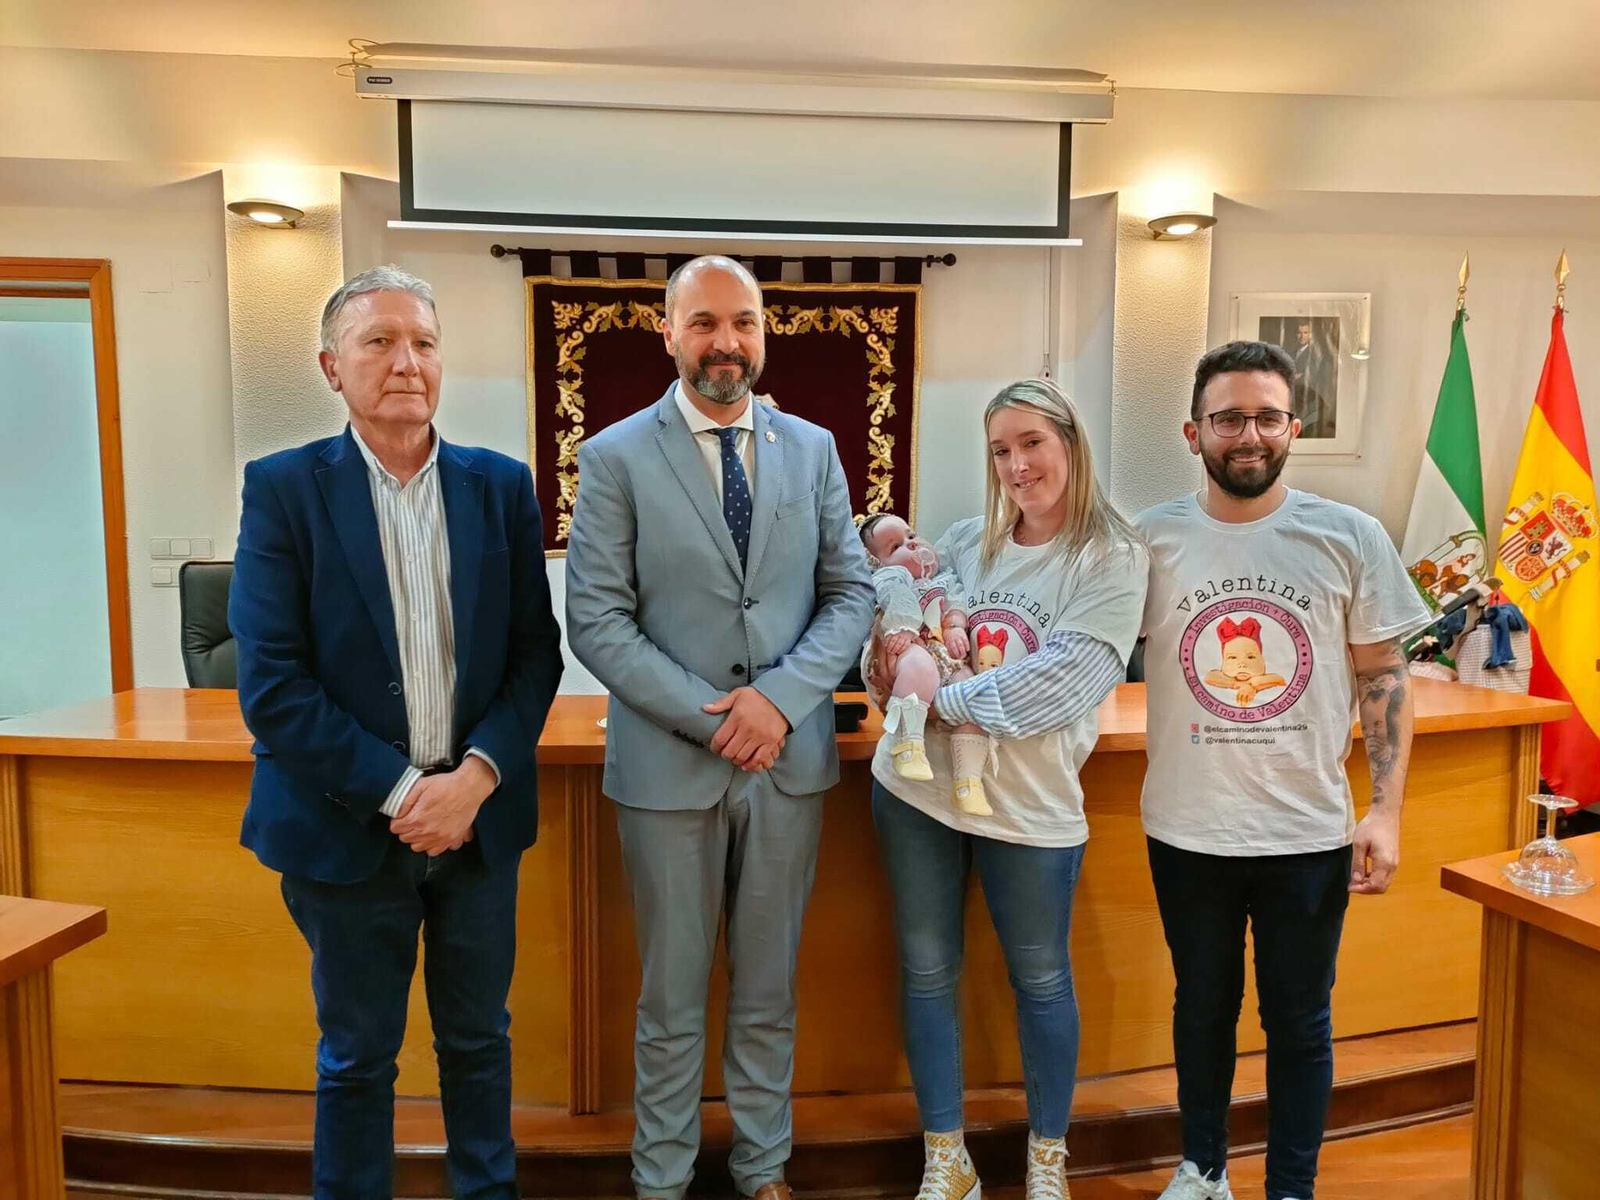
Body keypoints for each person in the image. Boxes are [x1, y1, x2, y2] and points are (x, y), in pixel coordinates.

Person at [230, 264, 565, 1199]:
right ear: (333, 367)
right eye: (379, 342)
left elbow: (536, 656)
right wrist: (404, 791)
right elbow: (273, 685)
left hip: (478, 826)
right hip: (346, 831)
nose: (406, 362)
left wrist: (476, 779)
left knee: (478, 1044)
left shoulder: (499, 488)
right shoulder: (286, 489)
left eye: (422, 341)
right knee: (357, 1059)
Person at [563, 255, 875, 1200]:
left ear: (765, 332)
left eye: (742, 322)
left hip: (789, 765)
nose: (725, 343)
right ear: (668, 334)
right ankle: (659, 1179)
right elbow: (598, 622)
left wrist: (778, 701)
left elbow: (851, 590)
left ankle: (762, 1167)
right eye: (703, 324)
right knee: (669, 997)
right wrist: (718, 723)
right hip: (669, 769)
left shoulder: (813, 447)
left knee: (769, 992)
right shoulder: (614, 455)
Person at [1135, 341, 1429, 1200]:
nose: (1249, 434)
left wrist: (1387, 811)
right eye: (1228, 417)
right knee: (1202, 1011)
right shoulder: (1148, 540)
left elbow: (1382, 676)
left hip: (1307, 829)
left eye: (1266, 416)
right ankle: (1203, 1170)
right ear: (1195, 432)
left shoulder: (1349, 536)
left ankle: (1291, 1187)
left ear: (1293, 427)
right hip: (1186, 828)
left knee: (1300, 1022)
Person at [865, 378, 1148, 1200]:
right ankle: (946, 1160)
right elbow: (894, 637)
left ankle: (1047, 1158)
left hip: (1032, 810)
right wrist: (889, 680)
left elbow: (1065, 684)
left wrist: (931, 702)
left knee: (1043, 980)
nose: (1018, 466)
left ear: (1070, 443)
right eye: (1001, 451)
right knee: (925, 972)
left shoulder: (1112, 556)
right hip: (916, 794)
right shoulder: (963, 540)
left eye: (1032, 444)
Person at [1290, 321, 1334, 439]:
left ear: (1311, 335)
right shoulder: (1294, 351)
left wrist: (1298, 376)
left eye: (1305, 332)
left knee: (1307, 423)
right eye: (1299, 333)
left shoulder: (1314, 352)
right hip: (1296, 394)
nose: (1302, 336)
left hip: (1308, 394)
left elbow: (1313, 374)